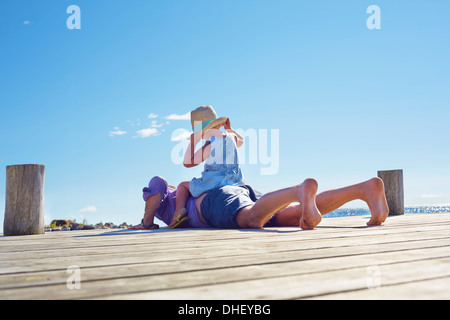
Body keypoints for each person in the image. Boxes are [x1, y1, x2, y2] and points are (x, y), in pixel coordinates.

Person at [128, 175, 389, 230]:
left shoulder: (171, 195)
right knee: (294, 215)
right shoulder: (173, 209)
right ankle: (364, 189)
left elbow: (159, 182)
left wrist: (146, 223)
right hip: (236, 193)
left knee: (251, 220)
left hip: (217, 202)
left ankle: (298, 189)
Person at [168, 105, 245, 229]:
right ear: (219, 125)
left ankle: (179, 211)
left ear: (201, 133)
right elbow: (241, 141)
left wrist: (193, 142)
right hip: (235, 181)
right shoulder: (232, 138)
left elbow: (187, 163)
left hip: (214, 183)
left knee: (183, 185)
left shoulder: (209, 147)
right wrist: (230, 129)